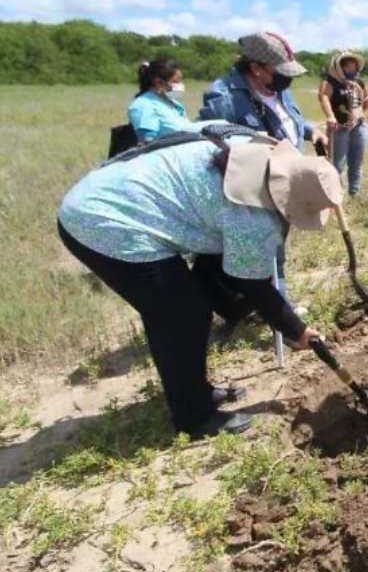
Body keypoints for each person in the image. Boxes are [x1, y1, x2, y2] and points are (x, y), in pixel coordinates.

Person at [58, 131, 337, 438]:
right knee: (181, 314)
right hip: (105, 220)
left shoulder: (254, 148)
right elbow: (249, 282)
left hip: (107, 191)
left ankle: (197, 391)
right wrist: (296, 330)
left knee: (190, 304)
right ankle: (194, 418)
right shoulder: (252, 218)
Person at [199, 32, 328, 306]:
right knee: (266, 250)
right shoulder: (224, 96)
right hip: (253, 188)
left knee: (276, 244)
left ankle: (268, 303)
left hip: (285, 181)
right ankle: (278, 311)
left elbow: (288, 119)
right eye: (279, 71)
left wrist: (310, 131)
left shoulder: (278, 89)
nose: (286, 78)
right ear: (256, 67)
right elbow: (210, 142)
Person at [318, 50, 368, 197]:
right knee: (337, 165)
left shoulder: (358, 82)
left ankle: (355, 193)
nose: (351, 69)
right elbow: (323, 97)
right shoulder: (331, 81)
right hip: (339, 128)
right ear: (340, 66)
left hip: (358, 128)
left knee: (356, 163)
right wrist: (330, 116)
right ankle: (333, 197)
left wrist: (362, 116)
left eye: (354, 66)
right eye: (348, 66)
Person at [127, 59, 197, 143]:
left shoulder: (174, 104)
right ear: (159, 82)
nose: (179, 85)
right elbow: (147, 143)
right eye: (175, 81)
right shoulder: (143, 105)